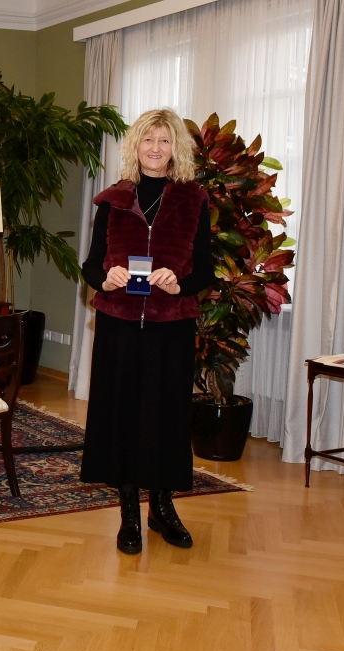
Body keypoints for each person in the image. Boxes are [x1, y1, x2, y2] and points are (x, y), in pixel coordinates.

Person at [81, 108, 215, 555]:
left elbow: (206, 269)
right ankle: (128, 513)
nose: (155, 149)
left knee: (166, 417)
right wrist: (106, 278)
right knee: (122, 415)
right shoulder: (113, 200)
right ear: (134, 147)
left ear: (176, 148)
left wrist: (180, 283)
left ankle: (162, 505)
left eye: (164, 141)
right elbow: (90, 264)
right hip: (119, 325)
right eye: (147, 140)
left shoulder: (194, 199)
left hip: (171, 326)